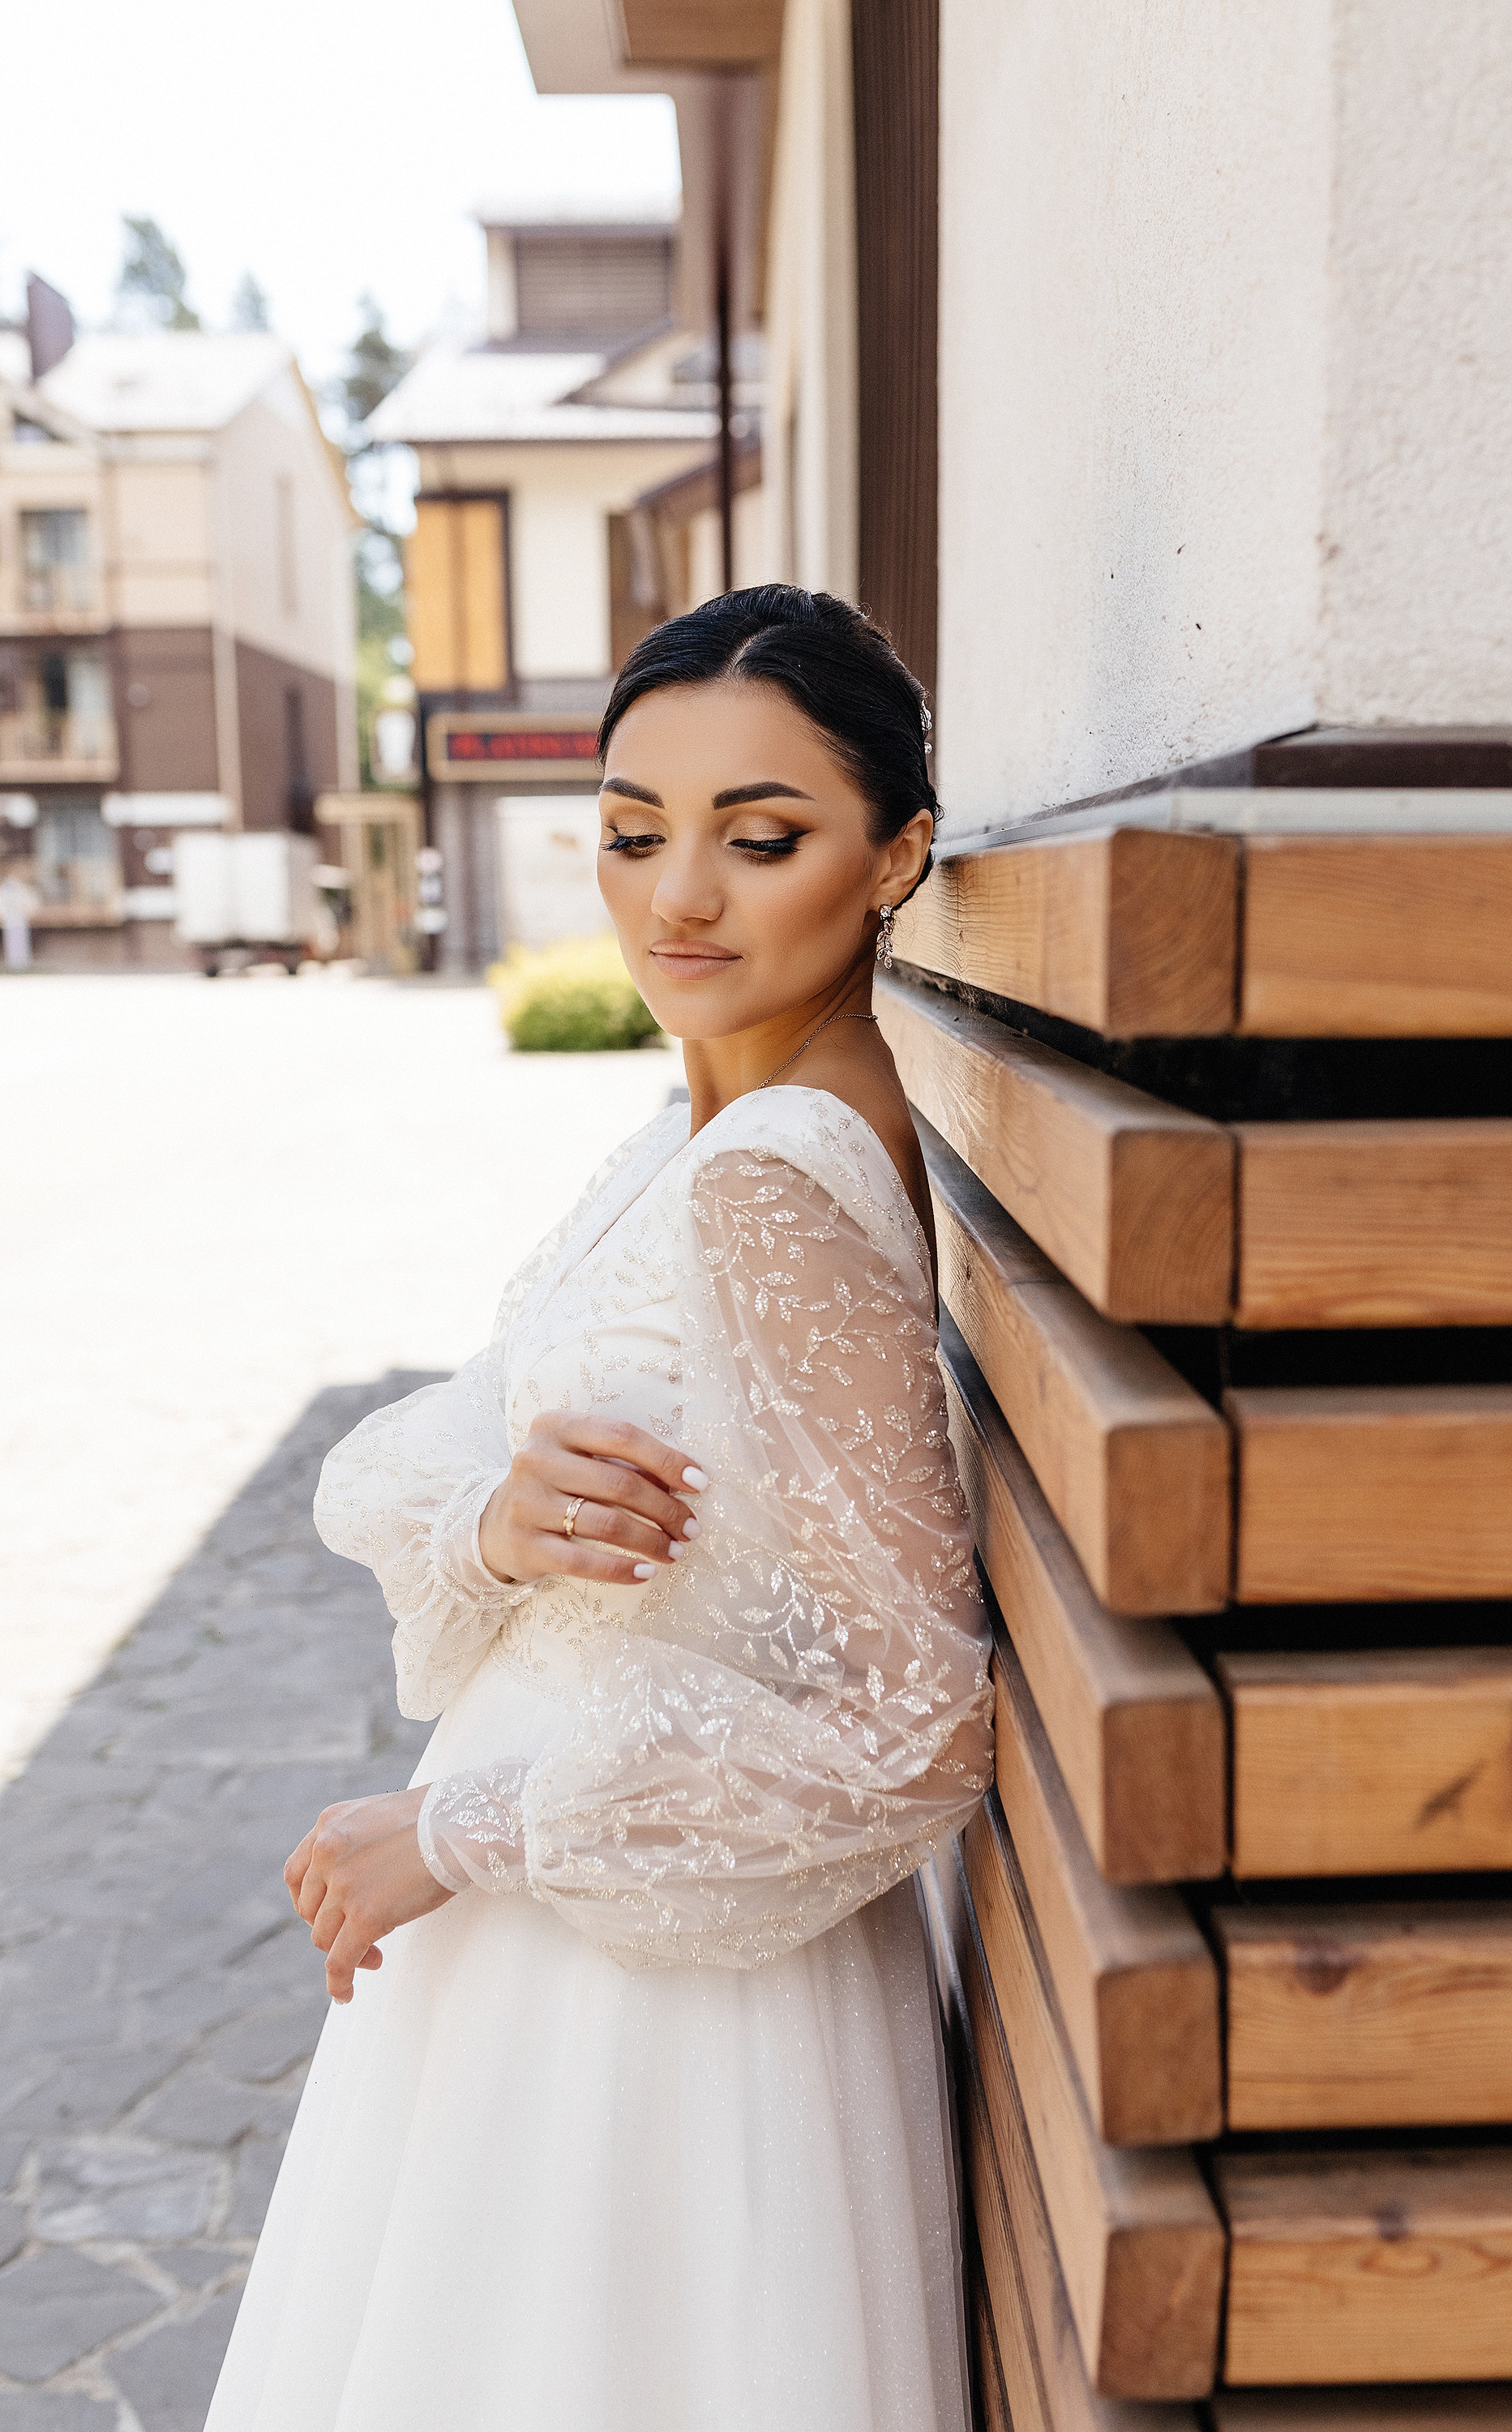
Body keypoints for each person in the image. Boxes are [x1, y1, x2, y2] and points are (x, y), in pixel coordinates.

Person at [205, 586, 995, 2432]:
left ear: (898, 856)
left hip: (659, 1994)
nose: (676, 899)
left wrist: (458, 1832)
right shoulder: (707, 1121)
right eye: (633, 834)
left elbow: (916, 1716)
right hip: (607, 1927)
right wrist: (492, 1514)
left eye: (761, 836)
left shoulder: (781, 1176)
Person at [0, 867, 38, 971]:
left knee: (21, 940)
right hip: (10, 918)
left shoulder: (21, 888)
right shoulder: (4, 889)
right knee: (11, 940)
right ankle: (13, 963)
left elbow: (29, 902)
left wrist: (26, 911)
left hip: (20, 917)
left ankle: (22, 963)